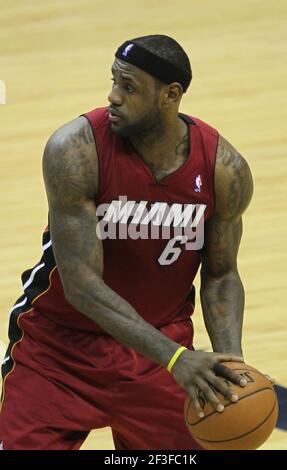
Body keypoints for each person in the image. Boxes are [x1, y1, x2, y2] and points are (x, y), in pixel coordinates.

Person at [0, 34, 253, 450]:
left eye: (129, 87)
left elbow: (222, 274)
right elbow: (83, 286)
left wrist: (229, 362)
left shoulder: (224, 169)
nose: (113, 96)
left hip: (158, 354)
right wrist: (175, 357)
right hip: (59, 351)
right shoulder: (75, 150)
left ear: (170, 95)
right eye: (114, 82)